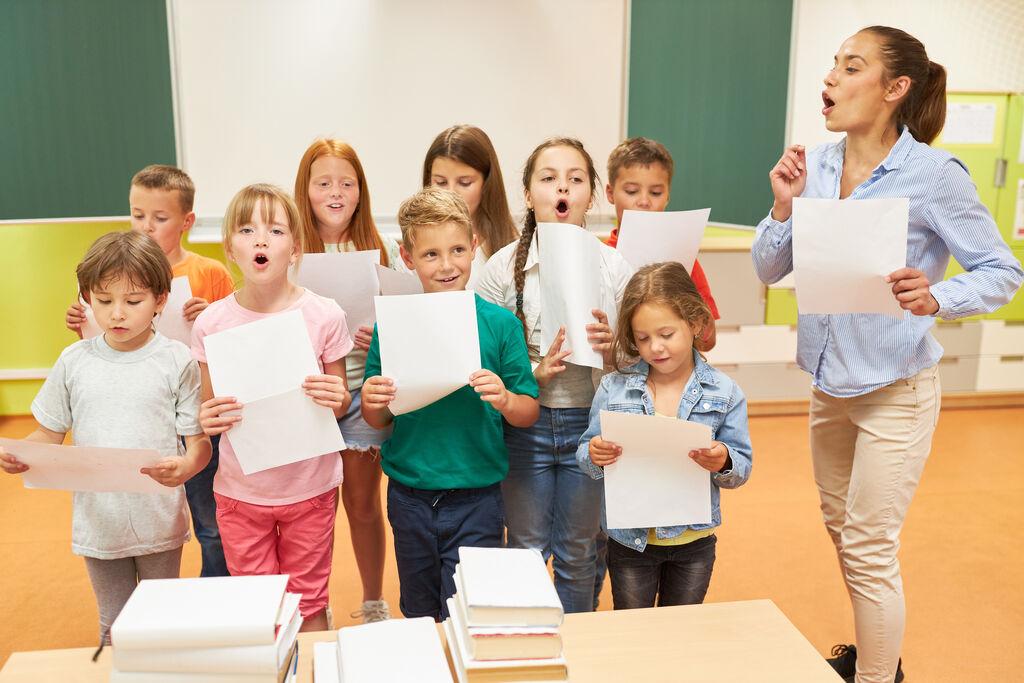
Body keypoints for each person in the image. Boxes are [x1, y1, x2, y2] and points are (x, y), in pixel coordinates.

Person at [751, 26, 1024, 683]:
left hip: (896, 390)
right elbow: (768, 268)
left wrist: (939, 297)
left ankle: (877, 678)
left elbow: (1001, 270)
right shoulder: (813, 166)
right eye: (833, 67)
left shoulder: (933, 176)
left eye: (850, 68)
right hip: (828, 385)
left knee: (870, 546)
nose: (830, 81)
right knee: (845, 532)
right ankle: (880, 656)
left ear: (895, 89)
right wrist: (782, 207)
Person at [2, 231, 211, 642]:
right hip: (99, 523)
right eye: (103, 301)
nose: (117, 313)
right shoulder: (74, 360)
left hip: (159, 521)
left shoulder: (177, 360)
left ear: (160, 300)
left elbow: (198, 442)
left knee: (160, 625)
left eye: (133, 302)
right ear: (85, 298)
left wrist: (187, 467)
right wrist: (22, 453)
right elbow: (49, 431)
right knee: (113, 627)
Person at [361, 187, 539, 621]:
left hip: (476, 496)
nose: (447, 265)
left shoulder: (499, 324)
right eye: (431, 255)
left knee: (469, 608)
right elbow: (377, 418)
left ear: (475, 246)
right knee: (419, 608)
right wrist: (371, 399)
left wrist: (504, 398)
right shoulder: (394, 326)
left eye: (458, 249)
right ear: (407, 257)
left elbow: (528, 410)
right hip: (409, 494)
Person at [476, 137, 634, 613]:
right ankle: (526, 651)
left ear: (592, 195)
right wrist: (530, 371)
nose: (561, 187)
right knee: (525, 548)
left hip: (592, 425)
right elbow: (484, 362)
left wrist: (613, 352)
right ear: (528, 195)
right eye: (548, 178)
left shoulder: (614, 266)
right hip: (526, 428)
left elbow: (637, 362)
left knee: (581, 552)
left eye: (575, 178)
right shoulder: (501, 269)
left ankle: (578, 656)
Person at [192, 184, 352, 631]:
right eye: (247, 229)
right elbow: (208, 410)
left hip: (311, 489)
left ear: (296, 247)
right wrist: (208, 419)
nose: (261, 240)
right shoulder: (212, 322)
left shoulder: (324, 314)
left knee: (310, 604)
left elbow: (338, 404)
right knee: (258, 610)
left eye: (275, 230)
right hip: (241, 494)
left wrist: (336, 398)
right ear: (230, 247)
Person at [577, 261, 751, 609]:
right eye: (643, 338)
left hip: (694, 542)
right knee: (634, 629)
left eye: (666, 334)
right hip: (630, 542)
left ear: (696, 324)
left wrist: (723, 460)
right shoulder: (614, 388)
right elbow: (585, 453)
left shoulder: (725, 392)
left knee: (682, 631)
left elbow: (741, 467)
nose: (655, 347)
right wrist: (594, 454)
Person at [294, 138, 398, 622]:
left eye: (346, 183)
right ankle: (315, 607)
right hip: (307, 397)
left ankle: (373, 600)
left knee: (360, 504)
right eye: (323, 183)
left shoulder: (380, 250)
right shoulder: (288, 248)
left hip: (361, 395)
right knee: (310, 509)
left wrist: (383, 333)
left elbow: (403, 319)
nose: (336, 192)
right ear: (305, 189)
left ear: (361, 191)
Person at [422, 124, 520, 287]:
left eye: (465, 183)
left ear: (487, 184)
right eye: (441, 182)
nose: (451, 193)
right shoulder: (415, 247)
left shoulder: (511, 253)